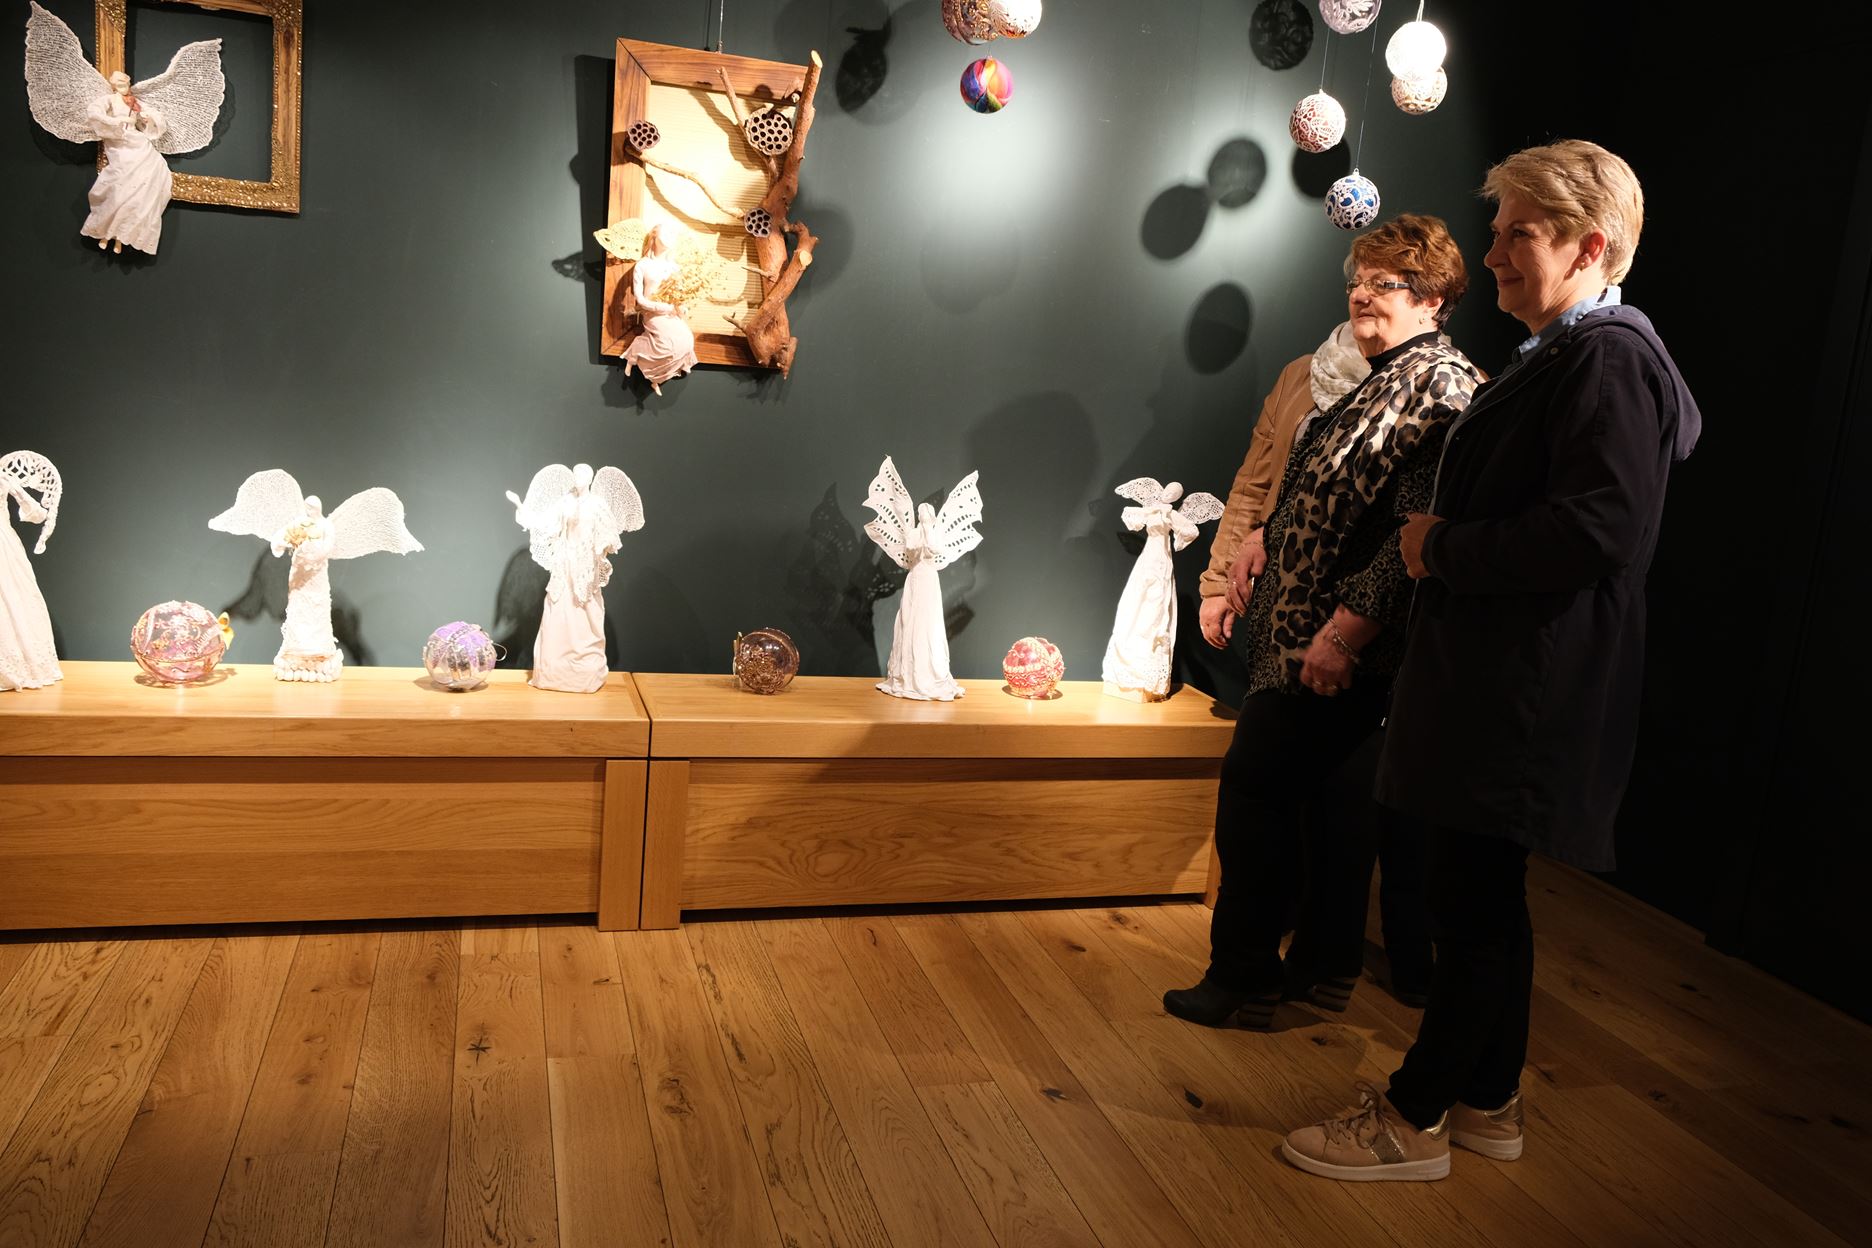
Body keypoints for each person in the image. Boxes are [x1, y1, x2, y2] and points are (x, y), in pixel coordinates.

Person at [1280, 140, 1701, 1182]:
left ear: (1589, 247)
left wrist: (1441, 548)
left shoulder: (1609, 359)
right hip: (1505, 679)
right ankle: (1487, 1100)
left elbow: (1600, 528)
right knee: (1482, 896)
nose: (1496, 251)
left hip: (1523, 688)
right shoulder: (1569, 353)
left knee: (1467, 905)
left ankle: (1412, 1116)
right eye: (1499, 228)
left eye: (1520, 233)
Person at [1164, 215, 1482, 1029]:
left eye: (1386, 283)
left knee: (1255, 792)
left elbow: (1414, 538)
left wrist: (1346, 632)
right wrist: (1265, 537)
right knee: (1323, 807)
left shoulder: (1440, 388)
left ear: (1434, 299)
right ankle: (1318, 968)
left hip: (1337, 645)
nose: (1363, 294)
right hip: (1299, 635)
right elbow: (1328, 493)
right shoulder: (1383, 377)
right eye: (1358, 280)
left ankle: (1242, 974)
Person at [84, 71, 173, 255]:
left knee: (144, 181)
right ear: (114, 85)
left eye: (125, 83)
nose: (124, 86)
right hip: (119, 140)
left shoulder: (133, 101)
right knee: (120, 184)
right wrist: (115, 120)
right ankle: (105, 233)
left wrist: (147, 118)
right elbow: (94, 112)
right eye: (119, 84)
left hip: (136, 139)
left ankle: (122, 237)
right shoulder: (110, 100)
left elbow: (150, 116)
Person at [0, 462, 61, 691]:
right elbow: (35, 513)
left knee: (11, 598)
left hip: (3, 548)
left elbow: (35, 512)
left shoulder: (3, 478)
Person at [622, 225, 699, 394]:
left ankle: (657, 379)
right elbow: (640, 298)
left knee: (687, 341)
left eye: (672, 233)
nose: (670, 235)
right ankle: (637, 350)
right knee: (667, 345)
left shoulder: (674, 267)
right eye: (666, 232)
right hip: (652, 313)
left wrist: (681, 307)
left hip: (671, 312)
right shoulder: (643, 265)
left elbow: (679, 295)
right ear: (654, 236)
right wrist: (660, 307)